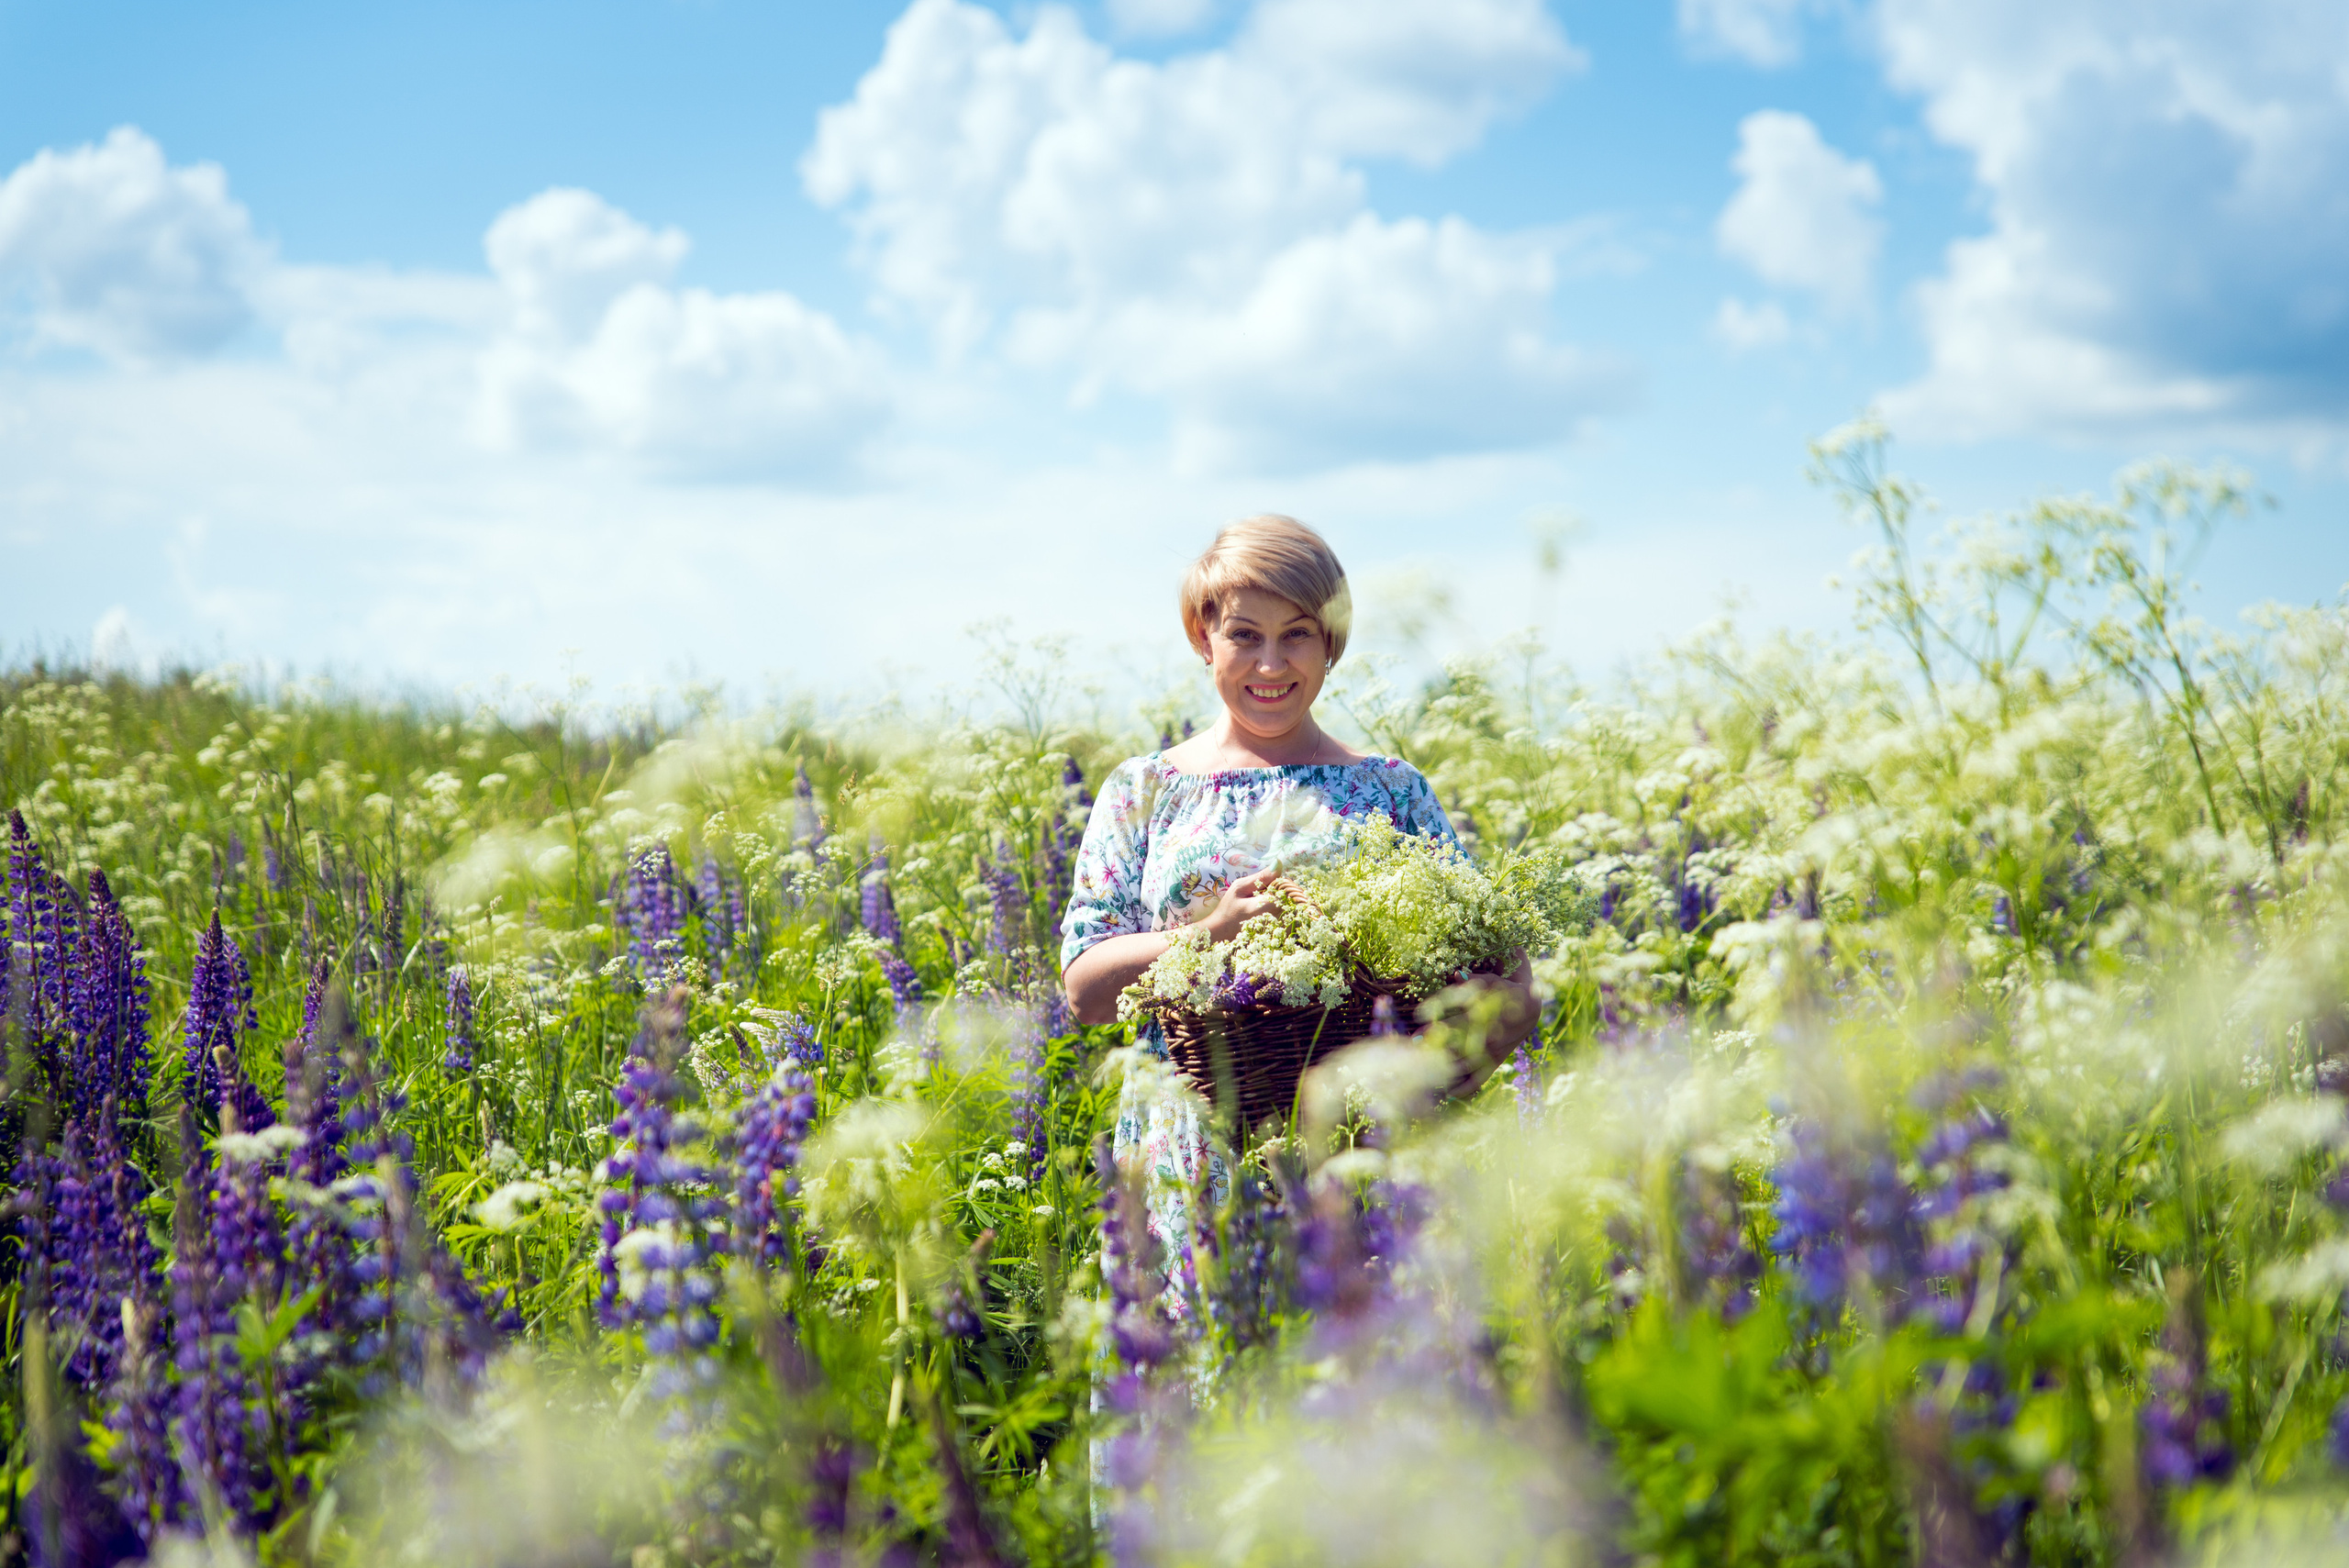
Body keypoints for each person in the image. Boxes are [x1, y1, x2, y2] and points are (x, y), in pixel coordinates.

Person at [1058, 513, 1537, 1266]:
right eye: (1245, 634)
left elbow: (1508, 985)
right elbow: (1085, 991)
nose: (1271, 663)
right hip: (1189, 1158)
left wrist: (1414, 1103)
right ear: (1201, 636)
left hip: (1359, 1165)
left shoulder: (1391, 791)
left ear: (1332, 643)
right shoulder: (1141, 791)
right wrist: (1209, 934)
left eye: (1299, 634)